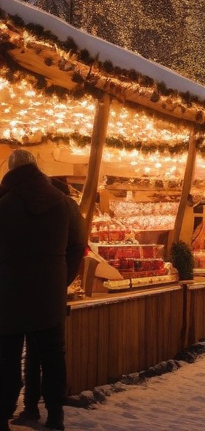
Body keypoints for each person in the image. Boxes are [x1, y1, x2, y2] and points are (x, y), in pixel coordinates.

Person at [0, 150, 86, 431]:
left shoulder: (4, 202)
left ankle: (3, 416)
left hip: (9, 293)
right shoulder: (63, 202)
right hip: (49, 294)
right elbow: (77, 246)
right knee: (52, 356)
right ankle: (55, 417)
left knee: (7, 359)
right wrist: (60, 280)